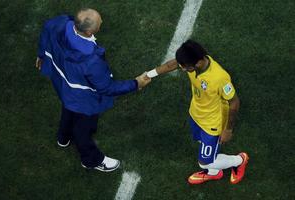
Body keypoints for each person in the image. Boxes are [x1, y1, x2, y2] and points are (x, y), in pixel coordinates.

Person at [36, 8, 151, 172]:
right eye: (100, 21)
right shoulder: (91, 60)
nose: (102, 22)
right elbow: (106, 88)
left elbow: (46, 33)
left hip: (64, 86)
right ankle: (91, 159)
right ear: (89, 31)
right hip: (83, 98)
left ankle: (63, 137)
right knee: (83, 129)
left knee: (68, 109)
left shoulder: (59, 23)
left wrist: (41, 55)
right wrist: (136, 83)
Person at [147, 40, 249, 184]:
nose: (182, 69)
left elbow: (234, 102)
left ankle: (239, 160)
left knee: (204, 162)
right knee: (202, 144)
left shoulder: (219, 78)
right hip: (195, 114)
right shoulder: (189, 60)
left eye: (186, 67)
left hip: (212, 124)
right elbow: (173, 64)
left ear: (199, 62)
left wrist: (228, 130)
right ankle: (214, 173)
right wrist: (148, 75)